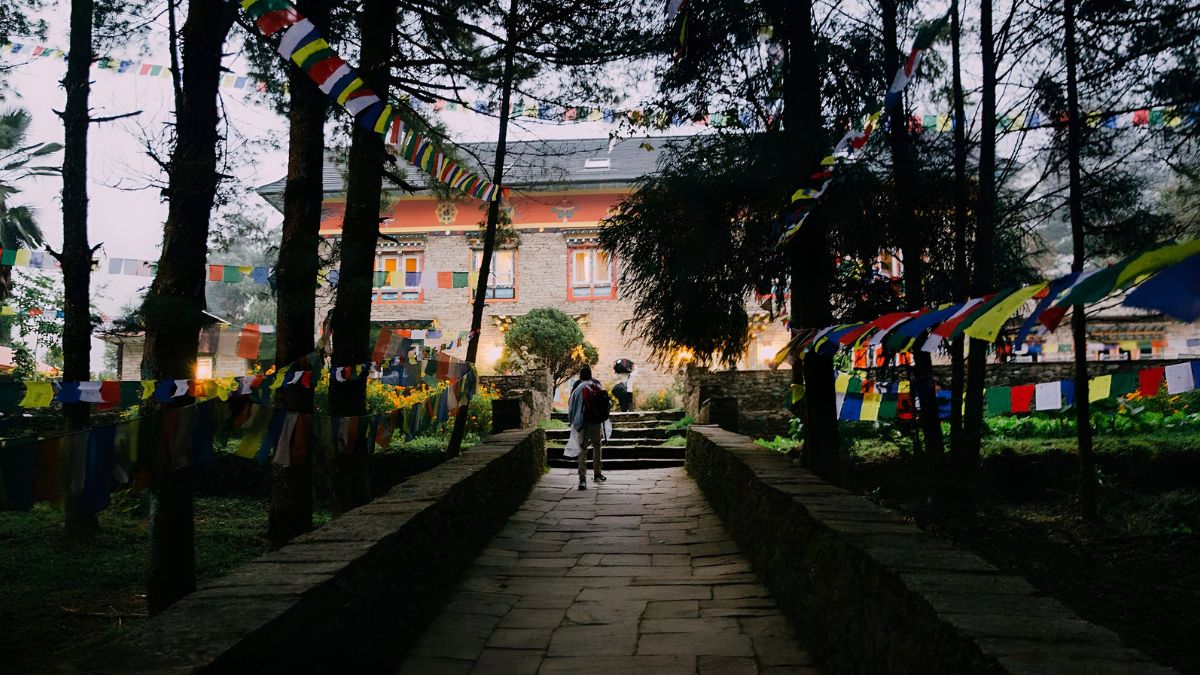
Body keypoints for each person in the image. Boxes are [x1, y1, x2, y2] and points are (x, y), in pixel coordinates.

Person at [567, 365, 610, 490]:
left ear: (580, 376)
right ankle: (597, 474)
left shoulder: (577, 389)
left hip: (582, 423)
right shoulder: (596, 386)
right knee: (597, 446)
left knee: (582, 450)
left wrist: (573, 423)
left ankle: (582, 479)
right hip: (596, 423)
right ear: (591, 375)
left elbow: (571, 408)